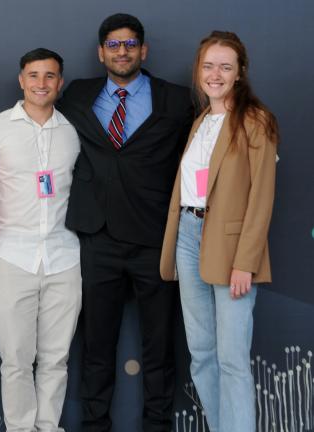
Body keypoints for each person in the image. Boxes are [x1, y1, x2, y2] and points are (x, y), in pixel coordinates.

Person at [57, 13, 194, 431]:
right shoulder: (76, 96)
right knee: (96, 347)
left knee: (159, 346)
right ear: (101, 53)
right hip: (97, 240)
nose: (122, 51)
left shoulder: (176, 99)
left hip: (156, 239)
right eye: (113, 45)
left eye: (130, 44)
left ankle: (157, 425)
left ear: (143, 50)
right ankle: (95, 424)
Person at [160, 31, 279, 432]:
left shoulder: (255, 121)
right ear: (198, 70)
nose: (215, 74)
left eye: (225, 66)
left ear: (240, 73)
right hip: (189, 240)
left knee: (231, 359)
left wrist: (245, 263)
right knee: (202, 355)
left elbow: (261, 198)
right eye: (209, 65)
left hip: (231, 250)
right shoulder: (200, 122)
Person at [0, 48, 82, 431]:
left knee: (56, 358)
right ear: (22, 80)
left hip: (64, 257)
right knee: (16, 360)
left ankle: (48, 427)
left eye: (50, 76)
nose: (42, 83)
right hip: (12, 258)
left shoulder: (73, 132)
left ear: (60, 83)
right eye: (34, 75)